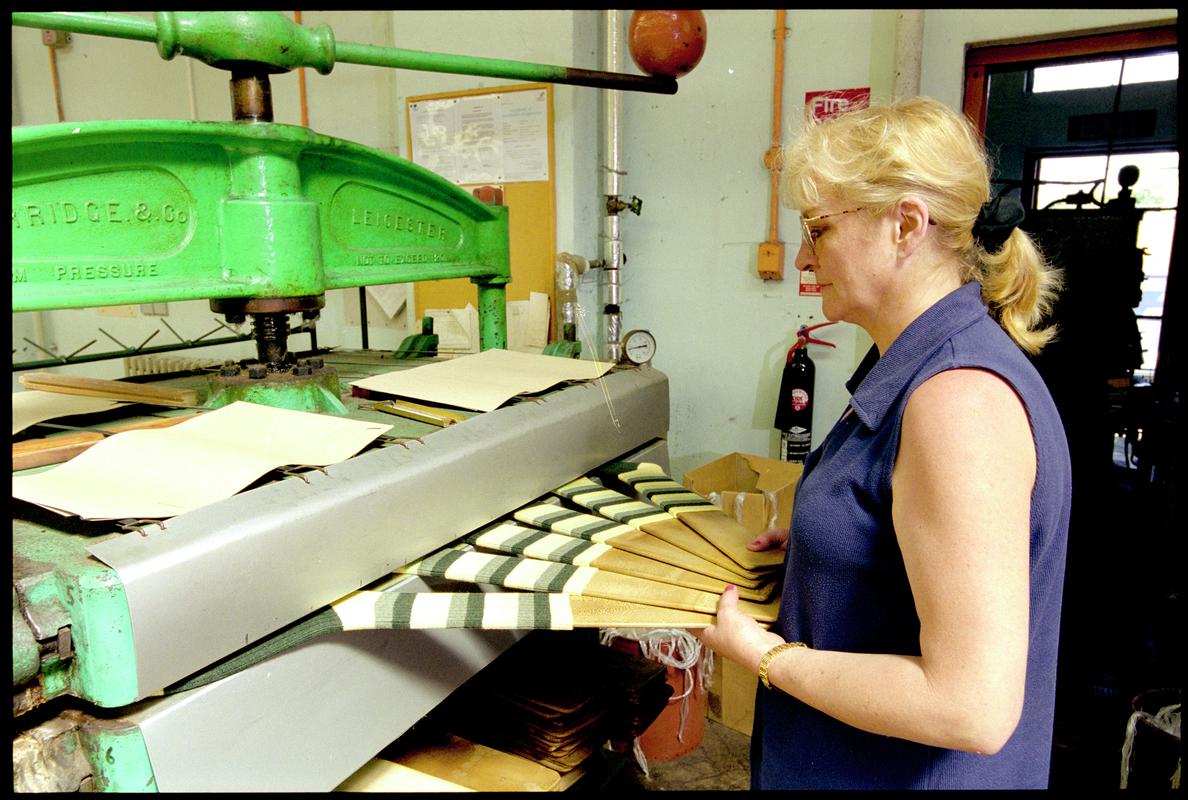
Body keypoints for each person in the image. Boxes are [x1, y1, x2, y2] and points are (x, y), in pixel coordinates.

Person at [693, 96, 1072, 789]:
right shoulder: (917, 364)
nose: (806, 257)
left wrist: (766, 658)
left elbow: (971, 707)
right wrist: (825, 548)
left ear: (905, 224)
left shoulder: (957, 400)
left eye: (820, 230)